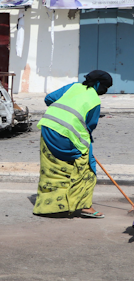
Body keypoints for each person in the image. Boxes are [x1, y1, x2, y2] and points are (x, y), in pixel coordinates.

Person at [34, 70, 113, 218]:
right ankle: (85, 206)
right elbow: (89, 127)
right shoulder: (94, 100)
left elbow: (49, 98)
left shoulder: (73, 86)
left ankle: (48, 207)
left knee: (53, 169)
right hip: (66, 136)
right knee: (87, 168)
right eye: (105, 87)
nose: (105, 91)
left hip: (47, 127)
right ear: (97, 84)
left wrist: (62, 111)